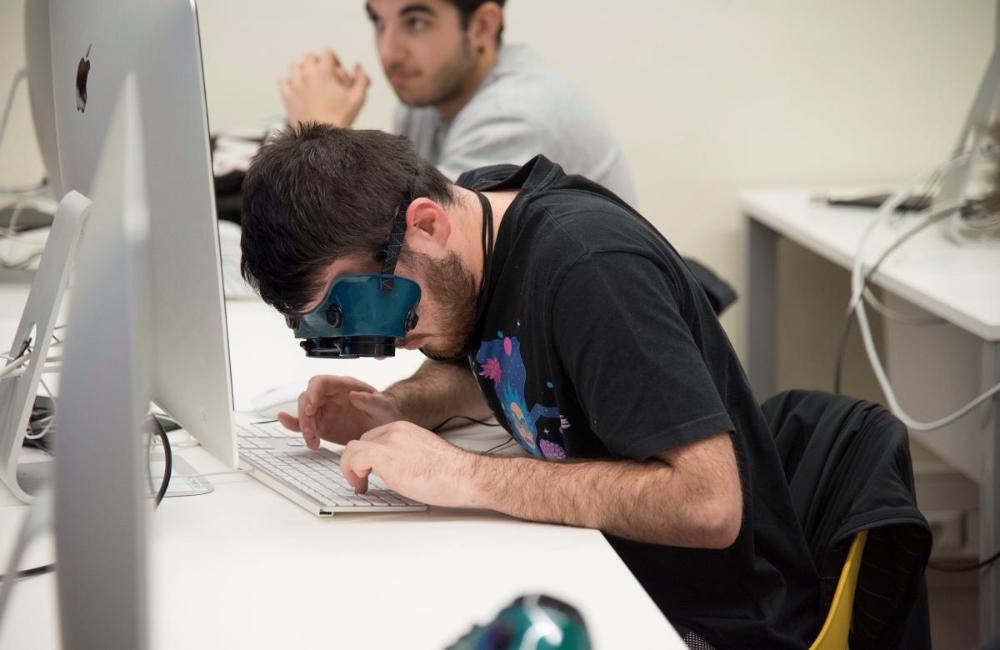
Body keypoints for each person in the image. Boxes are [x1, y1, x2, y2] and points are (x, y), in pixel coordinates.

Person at [239, 124, 820, 650]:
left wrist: (464, 475)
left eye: (389, 313)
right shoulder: (475, 228)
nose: (388, 343)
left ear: (426, 225)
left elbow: (708, 505)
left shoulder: (590, 270)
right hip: (590, 573)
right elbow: (496, 364)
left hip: (700, 622)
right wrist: (394, 407)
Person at [278, 0, 637, 205]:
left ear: (481, 26)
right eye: (379, 22)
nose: (389, 52)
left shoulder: (515, 115)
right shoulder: (424, 99)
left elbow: (410, 249)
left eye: (415, 22)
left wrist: (320, 139)